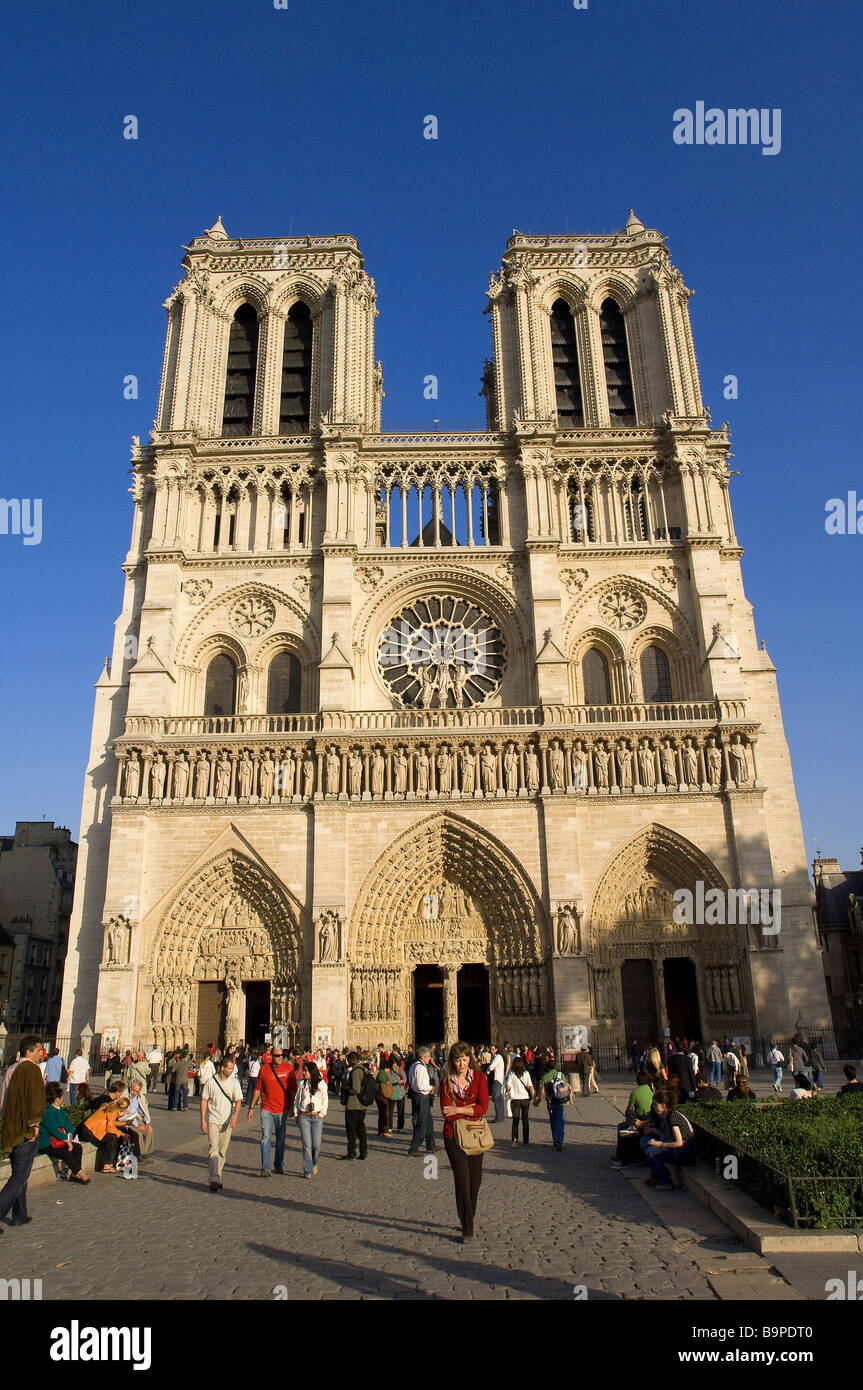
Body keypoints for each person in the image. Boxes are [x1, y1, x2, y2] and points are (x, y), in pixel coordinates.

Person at [440, 1042, 490, 1242]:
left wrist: (459, 1109)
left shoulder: (479, 1078)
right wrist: (470, 1108)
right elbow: (446, 1114)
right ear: (452, 1061)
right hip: (453, 1136)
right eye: (458, 1060)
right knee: (462, 1179)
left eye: (464, 1059)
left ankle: (468, 1215)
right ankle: (467, 1225)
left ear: (470, 1059)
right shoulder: (447, 1082)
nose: (461, 1063)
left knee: (474, 1181)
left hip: (475, 1134)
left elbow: (483, 1107)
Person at [0, 1036, 47, 1228]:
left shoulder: (11, 1069)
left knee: (20, 1172)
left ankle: (20, 1214)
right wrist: (34, 1125)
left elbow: (3, 1100)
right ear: (29, 1052)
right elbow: (36, 1100)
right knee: (19, 1175)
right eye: (38, 1051)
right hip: (25, 1129)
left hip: (11, 1127)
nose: (41, 1054)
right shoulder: (31, 1069)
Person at [248, 1043, 296, 1176]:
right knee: (265, 1137)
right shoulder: (264, 1069)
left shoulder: (288, 1069)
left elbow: (293, 1090)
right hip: (267, 1108)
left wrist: (292, 1107)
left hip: (282, 1108)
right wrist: (251, 1107)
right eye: (277, 1056)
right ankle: (265, 1167)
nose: (280, 1058)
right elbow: (257, 1089)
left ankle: (279, 1164)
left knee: (280, 1138)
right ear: (271, 1056)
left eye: (281, 1055)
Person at [200, 1056, 243, 1192]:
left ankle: (218, 1176)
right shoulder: (211, 1082)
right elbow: (204, 1100)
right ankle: (213, 1178)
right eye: (229, 1068)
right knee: (213, 1149)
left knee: (222, 1152)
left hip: (227, 1121)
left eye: (232, 1068)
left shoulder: (234, 1082)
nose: (232, 1071)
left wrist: (235, 1117)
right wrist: (202, 1119)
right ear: (222, 1068)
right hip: (213, 1119)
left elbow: (238, 1101)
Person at [640, 1091, 696, 1190]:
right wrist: (654, 1131)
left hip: (683, 1151)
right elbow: (667, 1135)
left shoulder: (673, 1117)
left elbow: (679, 1142)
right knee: (645, 1141)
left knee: (651, 1152)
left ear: (663, 1105)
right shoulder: (665, 1115)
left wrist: (660, 1144)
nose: (653, 1106)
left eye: (655, 1104)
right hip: (676, 1148)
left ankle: (665, 1181)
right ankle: (657, 1175)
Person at [38, 1081, 89, 1183]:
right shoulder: (48, 1112)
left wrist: (69, 1136)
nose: (62, 1099)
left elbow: (67, 1124)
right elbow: (53, 1130)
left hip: (60, 1140)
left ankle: (74, 1173)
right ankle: (80, 1173)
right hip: (48, 1143)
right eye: (61, 1097)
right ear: (57, 1099)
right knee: (65, 1152)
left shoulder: (60, 1110)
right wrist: (67, 1140)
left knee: (78, 1148)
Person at [78, 1096, 131, 1172]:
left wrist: (121, 1114)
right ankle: (107, 1165)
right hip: (90, 1132)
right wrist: (122, 1134)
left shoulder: (111, 1105)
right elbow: (110, 1128)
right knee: (113, 1139)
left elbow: (110, 1115)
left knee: (112, 1138)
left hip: (87, 1129)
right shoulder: (113, 1111)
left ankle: (108, 1164)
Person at [294, 1060, 328, 1177]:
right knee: (306, 1144)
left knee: (316, 1144)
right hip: (304, 1116)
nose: (303, 1073)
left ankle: (314, 1162)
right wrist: (296, 1113)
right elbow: (297, 1099)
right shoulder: (302, 1084)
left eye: (305, 1071)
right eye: (303, 1070)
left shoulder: (321, 1084)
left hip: (317, 1116)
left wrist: (322, 1113)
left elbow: (325, 1099)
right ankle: (307, 1169)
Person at [533, 1052, 570, 1149]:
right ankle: (559, 1140)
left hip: (550, 1101)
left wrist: (538, 1101)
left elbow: (541, 1093)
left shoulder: (544, 1077)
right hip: (561, 1100)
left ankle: (555, 1139)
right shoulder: (560, 1074)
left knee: (553, 1120)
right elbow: (566, 1086)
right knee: (560, 1121)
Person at [340, 1051, 369, 1160]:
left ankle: (351, 1152)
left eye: (349, 1060)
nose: (348, 1062)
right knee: (360, 1129)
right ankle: (363, 1151)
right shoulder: (363, 1069)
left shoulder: (356, 1071)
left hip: (354, 1104)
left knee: (351, 1129)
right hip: (360, 1106)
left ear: (353, 1060)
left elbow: (356, 1089)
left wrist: (346, 1087)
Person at [505, 1056, 533, 1147]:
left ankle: (515, 1139)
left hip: (515, 1100)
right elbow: (530, 1086)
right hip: (525, 1099)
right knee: (525, 1119)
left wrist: (507, 1089)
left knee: (515, 1120)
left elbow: (508, 1087)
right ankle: (526, 1140)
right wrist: (534, 1096)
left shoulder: (512, 1075)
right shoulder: (526, 1074)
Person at [486, 1046, 506, 1123]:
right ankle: (500, 1116)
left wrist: (488, 1069)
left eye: (493, 1049)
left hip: (497, 1079)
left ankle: (499, 1117)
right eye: (491, 1049)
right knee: (499, 1098)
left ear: (497, 1049)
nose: (491, 1050)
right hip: (499, 1079)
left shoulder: (497, 1057)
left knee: (496, 1098)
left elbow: (491, 1067)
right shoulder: (496, 1057)